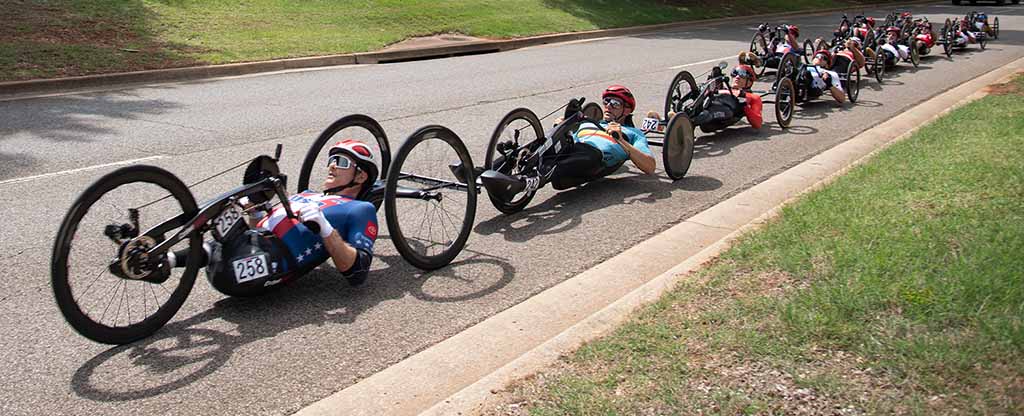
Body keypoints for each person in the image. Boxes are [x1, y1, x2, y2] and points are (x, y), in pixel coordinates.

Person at [548, 85, 656, 190]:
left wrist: (621, 139)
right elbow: (570, 139)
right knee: (550, 141)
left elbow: (650, 166)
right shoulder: (587, 122)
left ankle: (545, 173)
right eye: (606, 101)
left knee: (587, 152)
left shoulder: (634, 133)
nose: (608, 106)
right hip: (572, 150)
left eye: (615, 103)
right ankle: (532, 162)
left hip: (594, 157)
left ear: (627, 110)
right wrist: (562, 128)